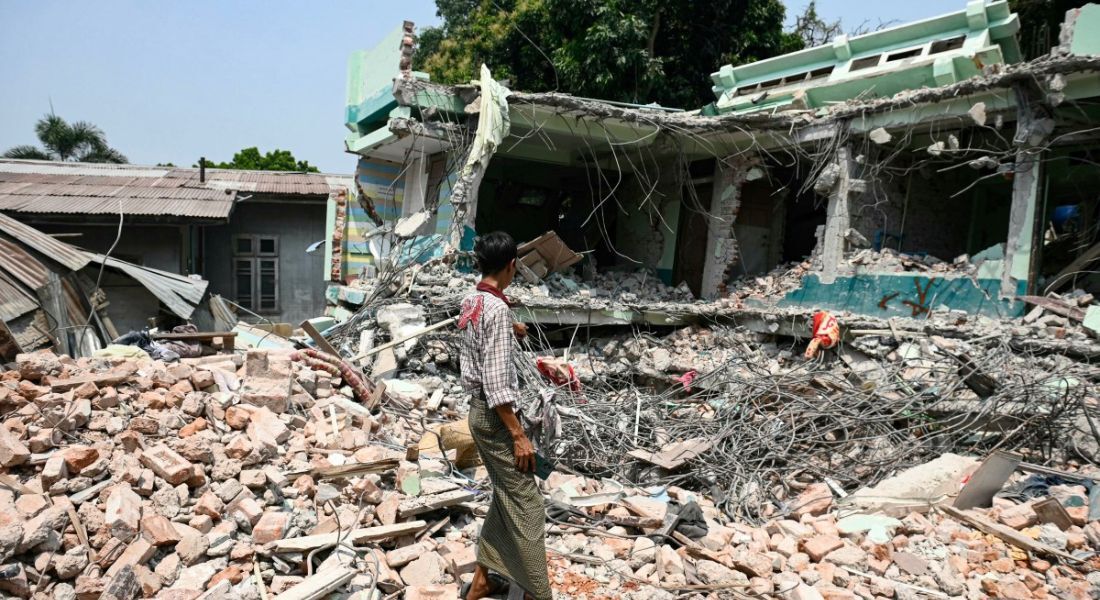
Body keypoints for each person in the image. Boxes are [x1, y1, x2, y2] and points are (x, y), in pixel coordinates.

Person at [458, 231, 552, 600]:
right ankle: (536, 593)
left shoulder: (472, 301)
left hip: (478, 413)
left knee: (506, 495)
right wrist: (518, 434)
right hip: (497, 418)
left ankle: (483, 578)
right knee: (529, 505)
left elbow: (477, 342)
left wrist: (509, 330)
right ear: (512, 265)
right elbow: (497, 383)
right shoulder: (496, 310)